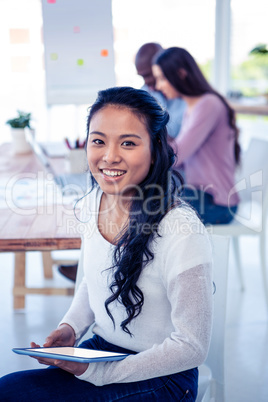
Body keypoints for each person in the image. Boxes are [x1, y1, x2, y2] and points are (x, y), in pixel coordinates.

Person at [0, 87, 213, 401]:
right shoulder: (94, 201)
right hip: (100, 353)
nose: (109, 155)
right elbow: (95, 278)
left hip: (165, 376)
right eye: (98, 140)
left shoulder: (181, 228)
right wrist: (71, 327)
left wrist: (101, 374)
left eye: (128, 142)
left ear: (155, 148)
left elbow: (191, 348)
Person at [58, 43, 187, 283]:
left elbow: (176, 150)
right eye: (97, 141)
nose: (150, 83)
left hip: (184, 180)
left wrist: (147, 135)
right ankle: (100, 263)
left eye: (152, 76)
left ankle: (117, 265)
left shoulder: (187, 103)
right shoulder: (150, 94)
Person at [152, 47, 241, 225]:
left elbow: (177, 156)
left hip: (216, 202)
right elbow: (182, 159)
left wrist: (147, 148)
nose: (158, 86)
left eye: (162, 78)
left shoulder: (207, 105)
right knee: (146, 203)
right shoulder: (192, 107)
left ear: (181, 73)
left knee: (149, 212)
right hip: (201, 195)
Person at [135, 42, 186, 139]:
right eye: (142, 76)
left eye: (148, 75)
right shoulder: (144, 95)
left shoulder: (190, 96)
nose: (146, 81)